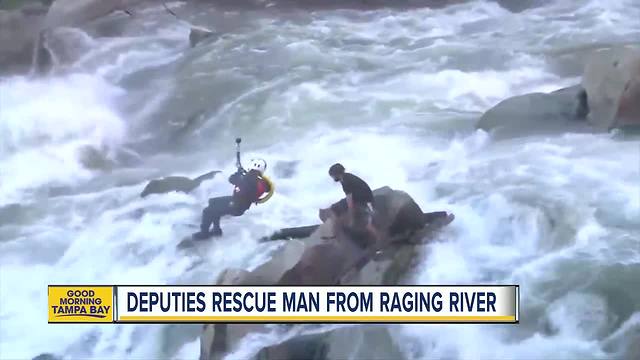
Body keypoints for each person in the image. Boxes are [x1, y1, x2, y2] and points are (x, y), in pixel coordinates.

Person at [193, 158, 271, 239]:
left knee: (208, 211)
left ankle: (204, 233)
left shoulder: (248, 178)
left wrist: (238, 173)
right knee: (212, 202)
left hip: (236, 206)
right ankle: (216, 230)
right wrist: (241, 173)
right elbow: (262, 188)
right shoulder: (260, 181)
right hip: (241, 204)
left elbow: (231, 179)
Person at [322, 163, 379, 245]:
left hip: (364, 201)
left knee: (368, 225)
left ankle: (378, 243)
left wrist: (351, 215)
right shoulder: (347, 177)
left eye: (333, 176)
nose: (333, 178)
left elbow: (349, 200)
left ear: (336, 174)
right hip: (361, 199)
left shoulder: (346, 181)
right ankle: (337, 231)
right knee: (335, 208)